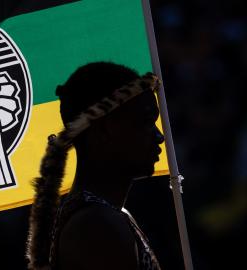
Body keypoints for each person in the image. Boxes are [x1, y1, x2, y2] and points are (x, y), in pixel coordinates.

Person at [26, 62, 164, 270]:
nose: (159, 136)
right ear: (104, 130)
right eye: (145, 122)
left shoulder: (108, 216)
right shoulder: (96, 226)